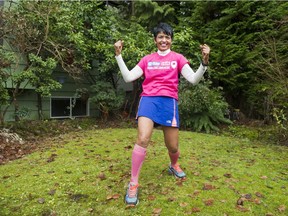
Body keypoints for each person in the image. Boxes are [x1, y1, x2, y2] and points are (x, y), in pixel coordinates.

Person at [114, 22, 210, 206]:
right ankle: (133, 183)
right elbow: (128, 77)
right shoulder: (147, 59)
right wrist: (118, 56)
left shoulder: (178, 58)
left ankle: (173, 165)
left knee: (173, 147)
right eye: (160, 37)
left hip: (169, 102)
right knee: (142, 139)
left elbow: (193, 80)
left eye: (167, 37)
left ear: (171, 40)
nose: (164, 40)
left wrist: (204, 63)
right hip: (149, 100)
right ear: (155, 40)